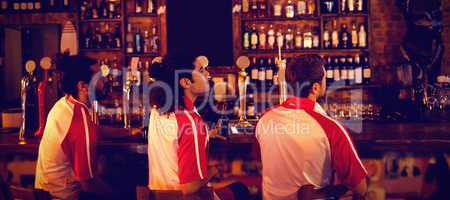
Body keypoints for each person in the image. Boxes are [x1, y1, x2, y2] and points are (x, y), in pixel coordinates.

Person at [256, 55, 368, 200]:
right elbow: (361, 187)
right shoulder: (331, 128)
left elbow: (262, 160)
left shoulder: (264, 120)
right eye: (324, 80)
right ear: (315, 88)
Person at [34, 53, 134, 199]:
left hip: (45, 194)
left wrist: (129, 132)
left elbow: (94, 129)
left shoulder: (65, 103)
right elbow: (88, 182)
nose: (105, 80)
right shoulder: (77, 118)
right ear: (83, 86)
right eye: (99, 77)